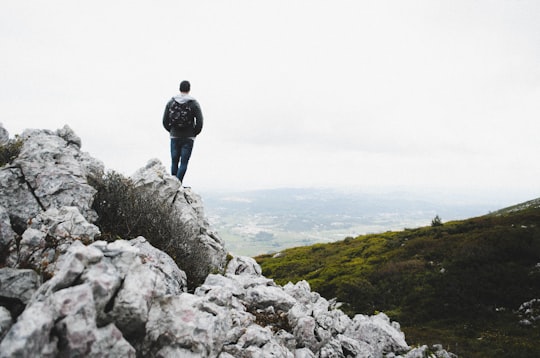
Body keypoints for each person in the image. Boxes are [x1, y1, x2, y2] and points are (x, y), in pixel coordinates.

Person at [162, 80, 204, 184]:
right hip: (188, 137)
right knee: (184, 163)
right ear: (189, 89)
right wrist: (194, 133)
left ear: (179, 88)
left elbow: (164, 121)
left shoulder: (171, 102)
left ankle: (173, 184)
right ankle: (178, 185)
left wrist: (171, 130)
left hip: (174, 136)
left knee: (174, 161)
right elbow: (200, 121)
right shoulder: (194, 103)